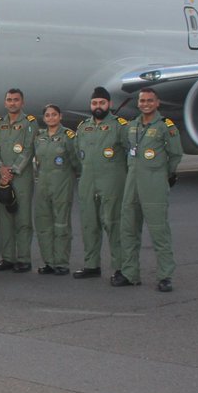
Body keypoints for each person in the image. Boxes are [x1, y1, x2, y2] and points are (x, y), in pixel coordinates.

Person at [115, 87, 183, 292]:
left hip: (153, 184)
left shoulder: (165, 126)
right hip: (132, 184)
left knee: (159, 231)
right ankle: (130, 273)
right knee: (128, 230)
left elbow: (175, 154)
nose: (145, 104)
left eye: (149, 100)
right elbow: (126, 148)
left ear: (157, 103)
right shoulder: (132, 126)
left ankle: (165, 276)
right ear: (138, 103)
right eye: (142, 101)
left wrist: (164, 175)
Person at [72, 87, 130, 280]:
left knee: (113, 223)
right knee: (89, 224)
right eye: (95, 103)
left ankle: (121, 267)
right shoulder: (83, 127)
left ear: (109, 104)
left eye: (102, 103)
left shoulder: (120, 126)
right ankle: (91, 265)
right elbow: (78, 154)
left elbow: (131, 152)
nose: (98, 106)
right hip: (88, 181)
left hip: (112, 181)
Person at [0, 88, 37, 272]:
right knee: (5, 220)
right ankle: (8, 258)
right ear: (5, 103)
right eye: (9, 100)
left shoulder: (29, 123)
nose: (12, 103)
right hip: (2, 176)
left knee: (22, 219)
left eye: (16, 100)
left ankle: (24, 258)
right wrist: (0, 167)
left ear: (22, 102)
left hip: (21, 177)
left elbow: (28, 149)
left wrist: (13, 170)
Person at [33, 104, 79, 275]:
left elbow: (76, 161)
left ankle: (61, 262)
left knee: (61, 224)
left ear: (60, 117)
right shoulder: (40, 137)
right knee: (44, 224)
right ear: (44, 118)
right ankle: (49, 262)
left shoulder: (68, 136)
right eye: (47, 115)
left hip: (62, 184)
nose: (51, 118)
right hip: (43, 185)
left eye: (54, 114)